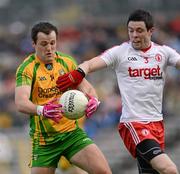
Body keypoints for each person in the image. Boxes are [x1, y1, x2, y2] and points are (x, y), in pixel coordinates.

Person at [56, 9, 180, 174]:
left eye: (139, 30)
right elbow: (90, 64)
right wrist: (79, 73)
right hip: (134, 123)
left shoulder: (164, 53)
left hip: (157, 123)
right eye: (131, 30)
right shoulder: (120, 52)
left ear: (151, 31)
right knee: (169, 169)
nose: (134, 35)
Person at [15, 22, 112, 174]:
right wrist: (42, 110)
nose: (49, 48)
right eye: (44, 44)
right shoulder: (26, 69)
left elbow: (86, 87)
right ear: (34, 44)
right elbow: (21, 103)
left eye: (52, 43)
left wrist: (94, 99)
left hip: (71, 134)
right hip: (44, 141)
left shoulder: (66, 62)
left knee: (104, 172)